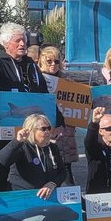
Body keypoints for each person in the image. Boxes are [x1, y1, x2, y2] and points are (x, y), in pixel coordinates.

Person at [0, 18, 50, 94]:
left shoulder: (31, 64)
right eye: (17, 41)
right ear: (5, 44)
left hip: (35, 108)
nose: (22, 44)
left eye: (24, 40)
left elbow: (44, 92)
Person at [0, 113, 70, 195]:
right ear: (31, 130)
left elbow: (62, 172)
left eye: (48, 128)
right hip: (23, 195)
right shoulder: (22, 147)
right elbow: (3, 160)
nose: (47, 132)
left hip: (48, 195)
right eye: (43, 129)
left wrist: (53, 183)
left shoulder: (52, 147)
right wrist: (17, 141)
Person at [37, 45, 81, 177]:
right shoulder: (36, 79)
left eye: (56, 61)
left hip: (65, 131)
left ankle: (70, 196)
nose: (53, 64)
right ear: (41, 61)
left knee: (66, 168)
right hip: (44, 127)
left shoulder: (67, 80)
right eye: (49, 61)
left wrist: (70, 87)